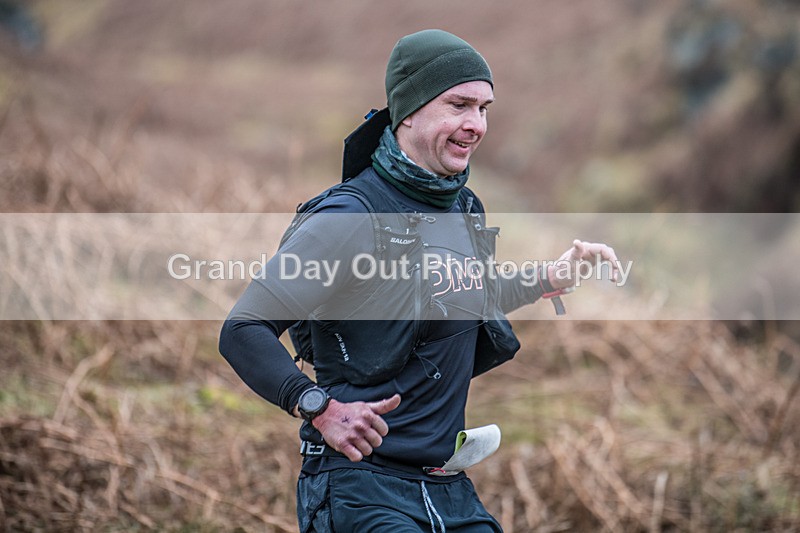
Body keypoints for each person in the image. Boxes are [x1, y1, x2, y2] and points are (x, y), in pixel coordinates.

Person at [219, 29, 619, 532]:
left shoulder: (462, 207)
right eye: (459, 105)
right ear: (408, 110)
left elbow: (461, 293)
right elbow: (243, 328)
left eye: (484, 108)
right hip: (360, 490)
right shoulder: (349, 217)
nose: (476, 125)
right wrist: (317, 406)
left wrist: (548, 278)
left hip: (450, 489)